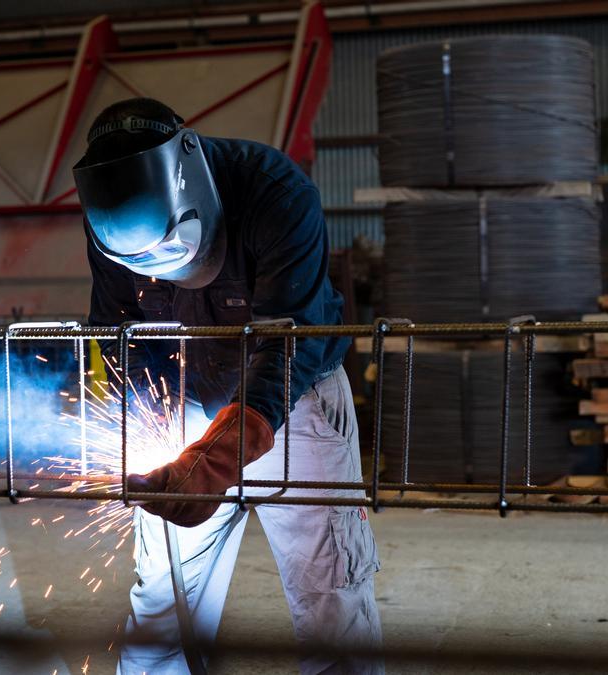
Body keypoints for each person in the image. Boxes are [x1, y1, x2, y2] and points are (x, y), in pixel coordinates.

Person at [74, 97, 383, 674]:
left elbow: (289, 344)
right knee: (161, 596)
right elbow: (124, 336)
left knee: (330, 595)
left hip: (296, 406)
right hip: (187, 404)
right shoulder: (107, 222)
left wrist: (219, 457)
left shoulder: (274, 192)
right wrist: (147, 418)